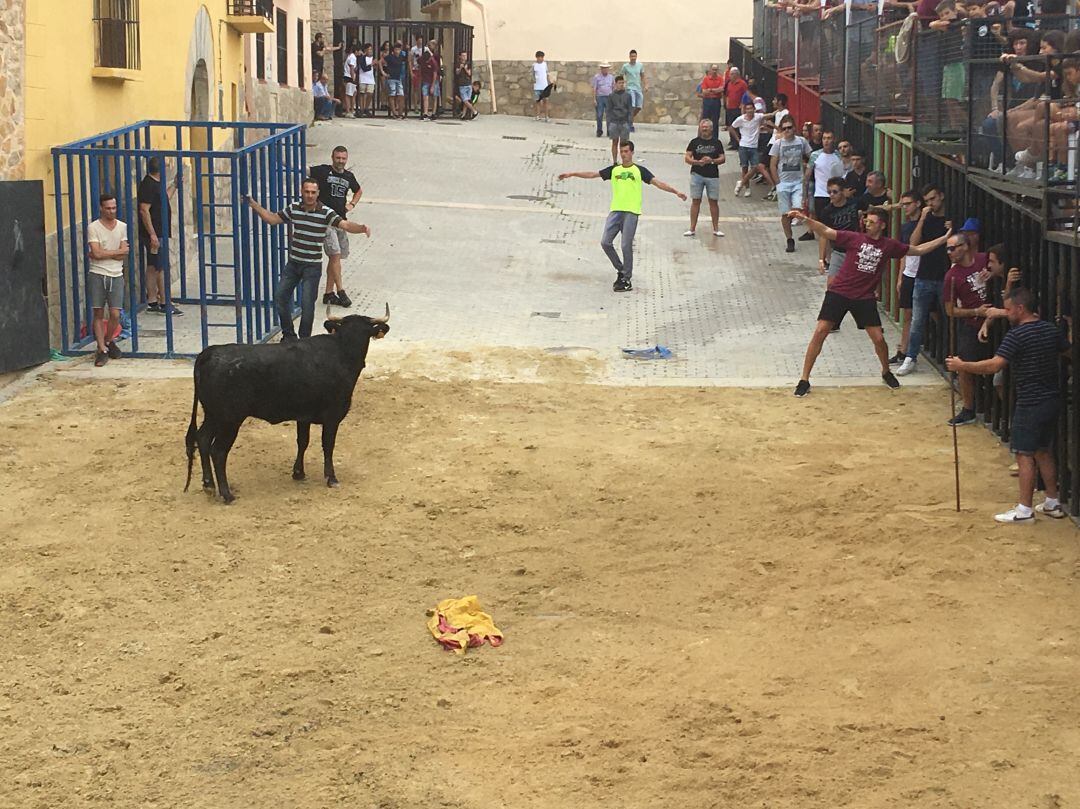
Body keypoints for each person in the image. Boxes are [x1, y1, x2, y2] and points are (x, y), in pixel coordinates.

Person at [791, 206, 953, 396]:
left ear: (882, 225)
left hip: (864, 297)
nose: (867, 225)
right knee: (820, 331)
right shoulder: (854, 238)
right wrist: (805, 219)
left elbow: (916, 250)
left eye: (872, 222)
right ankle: (804, 379)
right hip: (839, 292)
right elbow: (826, 231)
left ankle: (886, 371)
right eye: (866, 221)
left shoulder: (889, 245)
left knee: (878, 338)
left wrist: (944, 239)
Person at [946, 287, 1069, 523]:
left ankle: (1024, 510)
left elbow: (994, 366)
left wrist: (963, 366)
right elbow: (1069, 351)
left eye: (1010, 309)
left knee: (1024, 454)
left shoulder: (1017, 335)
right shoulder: (1050, 330)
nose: (1007, 313)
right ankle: (1052, 502)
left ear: (1021, 309)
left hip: (1031, 401)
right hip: (1051, 398)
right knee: (1043, 450)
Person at [245, 179, 370, 341]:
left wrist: (361, 228)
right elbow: (273, 219)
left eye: (313, 192)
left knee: (307, 304)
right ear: (301, 192)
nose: (310, 195)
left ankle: (304, 340)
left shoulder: (325, 212)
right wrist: (254, 205)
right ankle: (289, 335)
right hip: (294, 263)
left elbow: (344, 225)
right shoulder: (294, 208)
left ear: (318, 194)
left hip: (312, 266)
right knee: (280, 297)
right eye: (307, 192)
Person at [558, 140, 687, 292]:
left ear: (632, 152)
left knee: (626, 245)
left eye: (626, 151)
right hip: (616, 210)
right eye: (622, 151)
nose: (624, 154)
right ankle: (621, 270)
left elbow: (657, 183)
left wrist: (676, 192)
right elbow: (593, 174)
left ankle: (626, 278)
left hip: (631, 212)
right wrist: (572, 174)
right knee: (605, 242)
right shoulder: (615, 170)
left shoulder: (640, 171)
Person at [896, 183, 951, 376]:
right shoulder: (924, 220)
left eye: (933, 199)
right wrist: (922, 220)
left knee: (947, 319)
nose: (930, 204)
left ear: (941, 197)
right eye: (927, 201)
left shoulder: (950, 220)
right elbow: (913, 243)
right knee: (917, 320)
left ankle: (948, 358)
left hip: (944, 275)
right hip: (924, 276)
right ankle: (910, 357)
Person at [942, 232, 994, 426]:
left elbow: (1002, 268)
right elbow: (950, 310)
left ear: (964, 246)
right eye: (947, 248)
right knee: (963, 365)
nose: (949, 252)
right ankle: (968, 408)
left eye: (952, 248)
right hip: (972, 323)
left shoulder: (983, 259)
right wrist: (975, 311)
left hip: (996, 318)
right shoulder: (951, 276)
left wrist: (993, 274)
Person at [310, 146, 363, 309]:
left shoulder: (348, 176)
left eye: (343, 158)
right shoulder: (323, 171)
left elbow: (358, 190)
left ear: (347, 159)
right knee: (335, 254)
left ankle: (328, 293)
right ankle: (340, 291)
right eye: (337, 158)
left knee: (336, 258)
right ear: (332, 157)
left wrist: (352, 204)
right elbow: (304, 170)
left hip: (341, 220)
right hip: (326, 221)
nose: (340, 161)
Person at [87, 193, 129, 367]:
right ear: (101, 208)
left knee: (115, 314)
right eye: (108, 208)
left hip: (116, 274)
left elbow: (123, 255)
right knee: (98, 312)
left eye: (114, 208)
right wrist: (114, 252)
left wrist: (102, 254)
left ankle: (108, 340)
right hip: (97, 273)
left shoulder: (122, 226)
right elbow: (96, 253)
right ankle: (102, 348)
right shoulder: (93, 227)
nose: (112, 211)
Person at [137, 157, 181, 316]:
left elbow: (163, 199)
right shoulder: (149, 185)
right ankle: (164, 303)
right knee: (161, 268)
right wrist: (153, 235)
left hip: (155, 234)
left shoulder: (154, 184)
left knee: (152, 266)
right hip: (155, 235)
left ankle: (152, 301)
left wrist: (174, 185)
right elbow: (143, 210)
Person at [768, 114, 812, 253]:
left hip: (798, 181)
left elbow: (812, 157)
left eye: (789, 128)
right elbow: (773, 164)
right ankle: (789, 239)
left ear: (794, 128)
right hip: (783, 182)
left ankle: (805, 228)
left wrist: (807, 173)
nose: (787, 130)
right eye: (784, 128)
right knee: (785, 214)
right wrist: (778, 183)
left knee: (798, 208)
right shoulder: (778, 144)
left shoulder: (802, 142)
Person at [891, 190, 925, 364]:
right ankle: (903, 350)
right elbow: (904, 252)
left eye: (908, 204)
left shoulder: (925, 224)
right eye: (903, 204)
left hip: (925, 274)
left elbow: (913, 243)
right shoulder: (905, 227)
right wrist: (900, 276)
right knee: (907, 314)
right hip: (909, 273)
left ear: (918, 204)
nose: (905, 207)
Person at [683, 118, 726, 238]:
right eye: (703, 127)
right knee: (695, 201)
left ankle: (716, 229)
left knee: (713, 201)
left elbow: (722, 158)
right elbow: (687, 157)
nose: (704, 130)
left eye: (706, 127)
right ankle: (692, 228)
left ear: (711, 129)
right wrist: (697, 162)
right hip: (697, 175)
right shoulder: (694, 142)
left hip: (713, 176)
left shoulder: (717, 143)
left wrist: (712, 161)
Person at [801, 129, 844, 241]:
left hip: (836, 195)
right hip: (820, 194)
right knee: (822, 225)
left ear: (833, 139)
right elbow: (806, 176)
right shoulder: (815, 155)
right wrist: (804, 196)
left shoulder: (838, 155)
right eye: (824, 138)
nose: (826, 141)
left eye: (829, 138)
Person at [817, 175, 860, 282]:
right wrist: (821, 259)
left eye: (835, 192)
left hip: (856, 250)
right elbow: (823, 235)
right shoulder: (827, 211)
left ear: (843, 191)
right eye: (829, 192)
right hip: (838, 250)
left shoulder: (855, 203)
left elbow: (871, 209)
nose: (831, 195)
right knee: (831, 283)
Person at [731, 102, 764, 199]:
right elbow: (732, 128)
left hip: (754, 146)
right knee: (744, 167)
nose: (749, 110)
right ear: (745, 110)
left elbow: (768, 115)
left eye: (751, 108)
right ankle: (747, 188)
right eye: (747, 108)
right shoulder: (741, 119)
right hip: (743, 146)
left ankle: (741, 182)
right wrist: (738, 139)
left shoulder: (758, 117)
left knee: (755, 166)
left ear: (754, 109)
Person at [606, 75, 634, 163]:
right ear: (616, 84)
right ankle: (614, 161)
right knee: (614, 142)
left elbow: (630, 109)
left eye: (623, 83)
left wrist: (629, 122)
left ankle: (624, 161)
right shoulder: (611, 96)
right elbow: (608, 110)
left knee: (624, 144)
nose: (621, 85)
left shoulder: (628, 96)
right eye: (619, 83)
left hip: (624, 122)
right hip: (614, 122)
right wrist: (609, 124)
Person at [722, 67, 749, 150]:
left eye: (731, 74)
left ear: (736, 74)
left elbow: (746, 95)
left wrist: (742, 105)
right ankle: (733, 142)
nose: (730, 76)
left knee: (738, 126)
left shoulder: (742, 83)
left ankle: (739, 143)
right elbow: (727, 94)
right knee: (731, 125)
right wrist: (726, 103)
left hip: (738, 108)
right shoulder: (729, 83)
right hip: (730, 107)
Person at [620, 50, 647, 130]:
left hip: (638, 88)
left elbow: (643, 76)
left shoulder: (640, 65)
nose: (633, 58)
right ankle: (630, 123)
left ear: (636, 56)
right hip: (630, 88)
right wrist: (623, 84)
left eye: (634, 56)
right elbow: (621, 75)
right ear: (629, 57)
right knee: (632, 106)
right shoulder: (625, 66)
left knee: (639, 107)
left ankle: (628, 119)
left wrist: (646, 85)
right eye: (632, 56)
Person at [591, 62, 615, 138]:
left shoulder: (611, 77)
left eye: (606, 68)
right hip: (600, 97)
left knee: (609, 116)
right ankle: (599, 131)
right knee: (599, 115)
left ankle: (609, 131)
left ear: (608, 69)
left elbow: (613, 88)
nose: (605, 69)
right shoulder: (596, 77)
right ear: (601, 69)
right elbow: (594, 88)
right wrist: (594, 99)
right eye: (603, 68)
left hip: (609, 97)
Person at [383, 42, 406, 119]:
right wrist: (384, 73)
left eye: (399, 49)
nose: (397, 51)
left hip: (398, 78)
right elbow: (380, 62)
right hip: (391, 78)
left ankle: (400, 112)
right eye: (396, 49)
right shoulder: (390, 57)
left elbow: (408, 59)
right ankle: (394, 112)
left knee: (401, 95)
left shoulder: (401, 57)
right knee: (392, 95)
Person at [699, 64, 725, 135]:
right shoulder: (706, 79)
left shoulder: (720, 79)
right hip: (707, 101)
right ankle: (704, 136)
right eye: (713, 69)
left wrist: (710, 89)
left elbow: (721, 89)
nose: (714, 71)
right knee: (705, 120)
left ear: (718, 70)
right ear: (710, 70)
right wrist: (715, 90)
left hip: (716, 101)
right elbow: (704, 91)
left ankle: (714, 138)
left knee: (715, 120)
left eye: (716, 70)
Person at [419, 43, 439, 120]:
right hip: (425, 80)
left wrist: (433, 86)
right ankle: (425, 113)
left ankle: (433, 113)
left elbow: (435, 74)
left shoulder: (433, 62)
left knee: (434, 96)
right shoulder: (422, 60)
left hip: (434, 80)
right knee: (425, 96)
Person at [356, 43, 376, 117]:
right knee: (362, 93)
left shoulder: (373, 58)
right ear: (365, 50)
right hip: (363, 78)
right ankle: (361, 109)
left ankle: (366, 108)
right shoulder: (362, 58)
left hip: (370, 78)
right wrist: (371, 64)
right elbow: (364, 68)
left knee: (370, 93)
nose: (370, 51)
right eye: (369, 49)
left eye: (371, 49)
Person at [342, 43, 359, 118]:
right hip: (349, 77)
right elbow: (351, 68)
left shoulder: (351, 56)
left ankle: (352, 109)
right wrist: (353, 77)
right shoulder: (353, 57)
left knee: (354, 93)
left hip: (349, 77)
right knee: (349, 94)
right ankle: (348, 111)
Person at [533, 51, 550, 122]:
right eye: (539, 57)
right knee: (537, 101)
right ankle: (537, 116)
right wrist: (535, 81)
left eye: (542, 57)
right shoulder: (534, 65)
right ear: (536, 57)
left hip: (545, 86)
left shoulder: (545, 64)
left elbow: (547, 74)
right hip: (537, 87)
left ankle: (546, 117)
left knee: (545, 101)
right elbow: (533, 75)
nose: (541, 58)